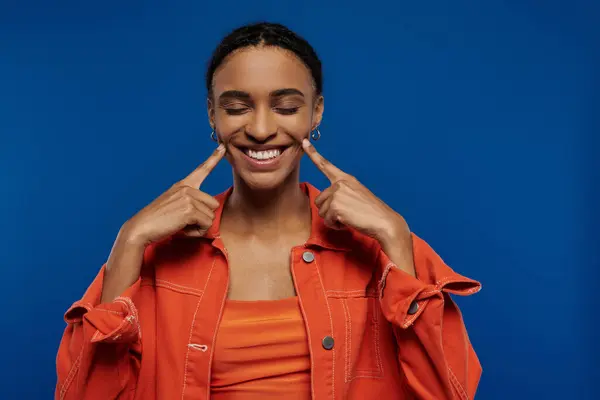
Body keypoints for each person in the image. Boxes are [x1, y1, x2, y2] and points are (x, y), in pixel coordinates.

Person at [55, 22, 482, 400]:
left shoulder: (382, 244)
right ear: (213, 114)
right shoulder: (152, 255)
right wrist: (129, 240)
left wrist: (395, 237)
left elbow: (449, 393)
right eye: (237, 107)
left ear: (316, 112)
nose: (260, 129)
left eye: (286, 107)